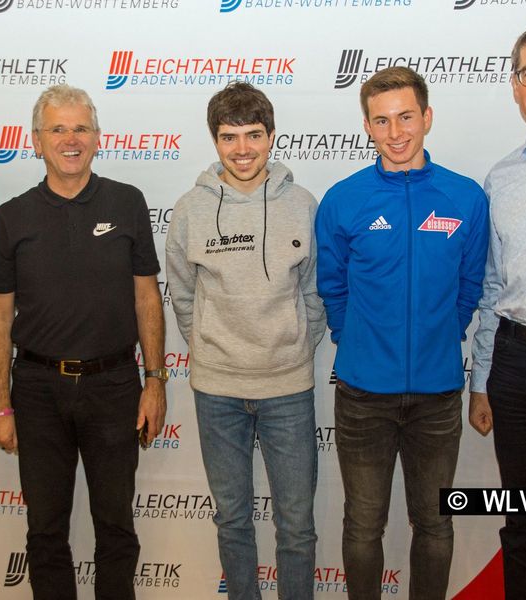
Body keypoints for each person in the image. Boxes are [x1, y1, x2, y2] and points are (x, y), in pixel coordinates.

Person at [0, 84, 166, 600]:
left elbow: (148, 300)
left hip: (113, 386)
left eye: (81, 128)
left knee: (115, 529)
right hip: (37, 390)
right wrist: (1, 405)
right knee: (44, 532)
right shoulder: (11, 218)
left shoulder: (127, 202)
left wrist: (154, 382)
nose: (70, 139)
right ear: (35, 140)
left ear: (97, 137)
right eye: (57, 129)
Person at [315, 66, 489, 600]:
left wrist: (437, 340)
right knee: (363, 526)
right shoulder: (344, 200)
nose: (396, 132)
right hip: (364, 395)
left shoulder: (464, 198)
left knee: (435, 524)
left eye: (406, 117)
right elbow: (333, 290)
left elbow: (469, 290)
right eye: (382, 120)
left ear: (427, 117)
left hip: (437, 397)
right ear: (367, 126)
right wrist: (364, 345)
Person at [166, 81, 325, 600]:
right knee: (232, 521)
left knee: (297, 527)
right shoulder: (190, 210)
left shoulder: (302, 203)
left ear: (272, 136)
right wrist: (212, 349)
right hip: (216, 393)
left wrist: (295, 348)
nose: (242, 149)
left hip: (288, 389)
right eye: (229, 137)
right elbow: (184, 298)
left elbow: (316, 293)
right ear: (215, 141)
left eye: (253, 135)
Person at [469, 22, 526, 600]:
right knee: (525, 520)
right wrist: (483, 379)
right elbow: (492, 288)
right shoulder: (501, 178)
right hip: (518, 364)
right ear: (515, 86)